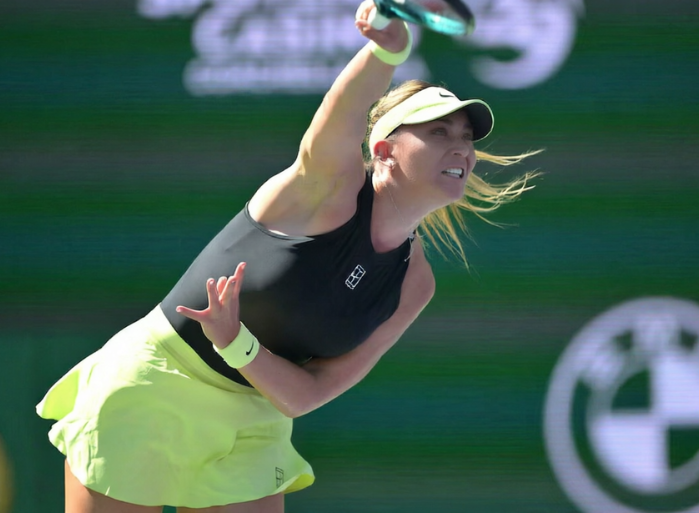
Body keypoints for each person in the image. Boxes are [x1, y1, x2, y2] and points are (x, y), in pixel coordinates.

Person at [36, 1, 539, 512]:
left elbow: (307, 394)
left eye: (466, 138)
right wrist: (388, 49)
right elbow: (343, 111)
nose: (461, 149)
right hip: (154, 384)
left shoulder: (416, 284)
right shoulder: (328, 188)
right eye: (438, 133)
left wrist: (235, 343)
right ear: (384, 151)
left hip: (254, 419)